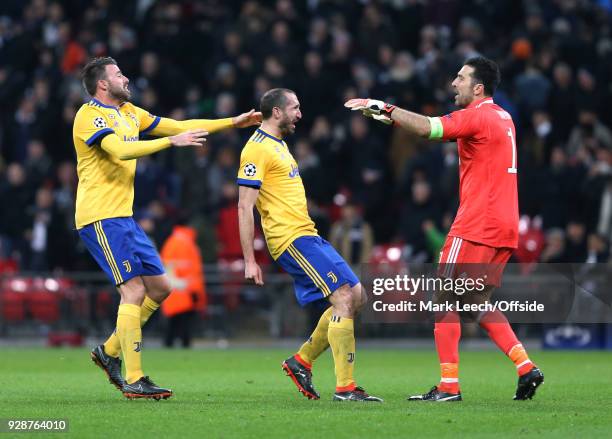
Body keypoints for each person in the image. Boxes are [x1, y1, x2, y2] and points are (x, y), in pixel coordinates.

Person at [346, 56, 544, 402]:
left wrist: (385, 108)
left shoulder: (477, 116)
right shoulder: (504, 117)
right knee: (475, 300)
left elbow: (428, 128)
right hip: (505, 224)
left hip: (476, 223)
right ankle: (525, 366)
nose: (454, 84)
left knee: (442, 296)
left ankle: (449, 387)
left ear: (478, 88)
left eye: (461, 78)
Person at [75, 57, 261, 400]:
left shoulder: (130, 112)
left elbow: (179, 125)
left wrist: (232, 122)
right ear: (102, 84)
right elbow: (119, 149)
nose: (125, 77)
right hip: (100, 217)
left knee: (160, 288)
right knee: (132, 291)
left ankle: (108, 351)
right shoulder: (88, 116)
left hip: (124, 218)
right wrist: (168, 144)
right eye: (118, 74)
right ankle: (134, 378)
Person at [237, 88, 382, 402]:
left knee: (357, 296)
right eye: (295, 107)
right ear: (277, 112)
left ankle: (301, 361)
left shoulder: (280, 145)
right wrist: (250, 259)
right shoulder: (256, 149)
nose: (300, 114)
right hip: (290, 239)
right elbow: (244, 206)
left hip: (308, 233)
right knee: (342, 298)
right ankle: (346, 388)